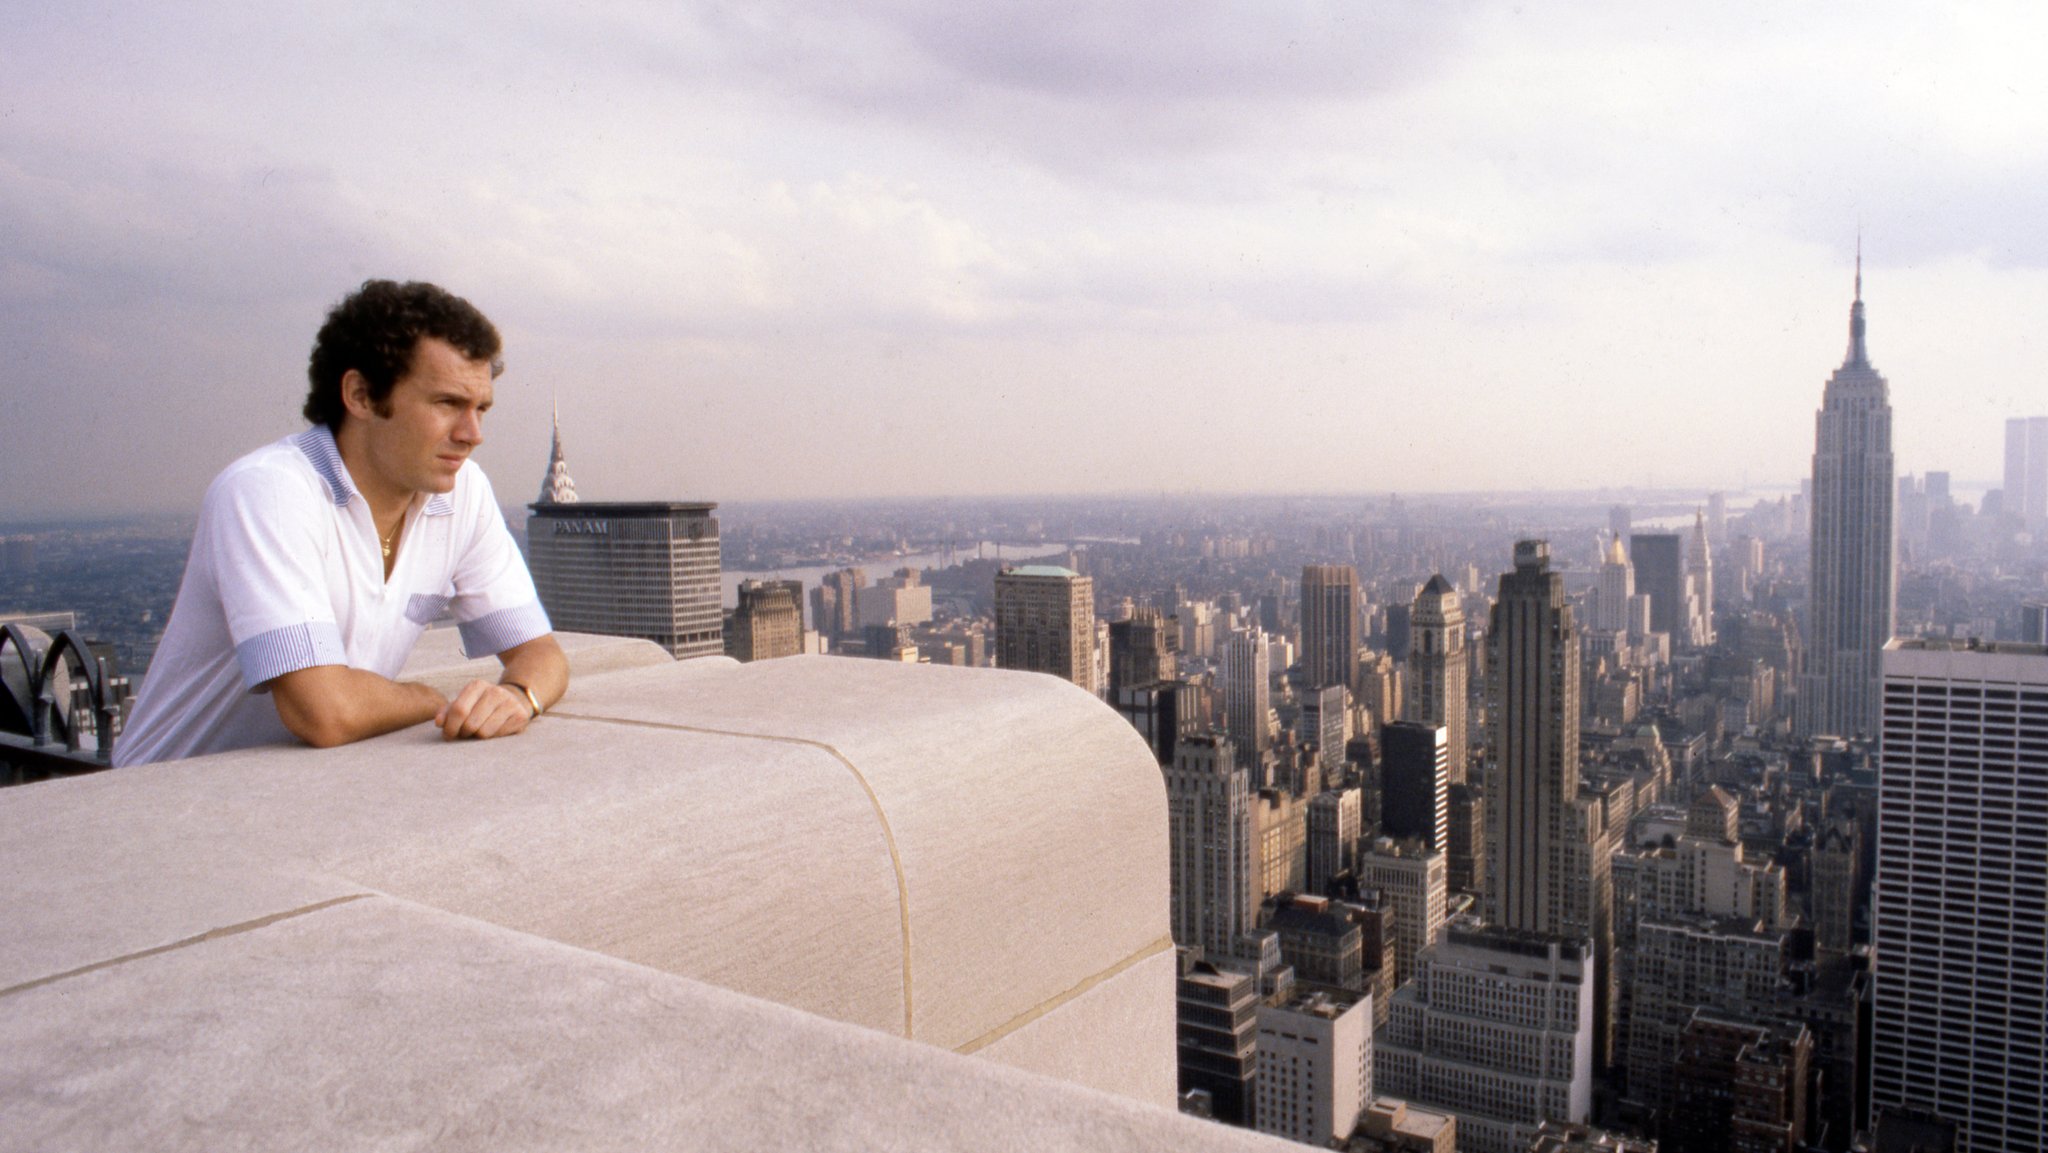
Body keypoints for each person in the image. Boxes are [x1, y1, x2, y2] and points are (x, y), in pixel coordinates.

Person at [114, 280, 569, 766]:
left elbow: (542, 655)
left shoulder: (464, 493)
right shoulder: (269, 491)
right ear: (361, 395)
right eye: (446, 404)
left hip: (293, 791)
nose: (472, 434)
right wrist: (434, 700)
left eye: (480, 408)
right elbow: (324, 713)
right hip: (162, 799)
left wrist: (519, 696)